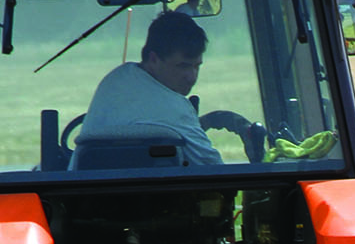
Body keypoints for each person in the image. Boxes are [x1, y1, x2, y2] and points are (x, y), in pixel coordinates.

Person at [80, 11, 256, 166]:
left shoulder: (114, 81)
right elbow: (213, 170)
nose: (192, 77)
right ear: (154, 59)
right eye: (183, 66)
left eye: (197, 66)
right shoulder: (175, 108)